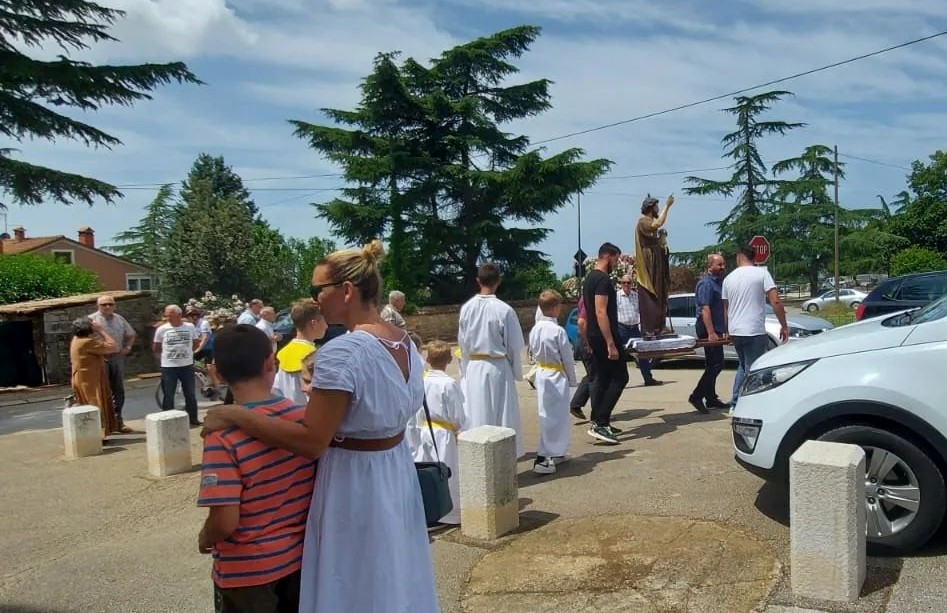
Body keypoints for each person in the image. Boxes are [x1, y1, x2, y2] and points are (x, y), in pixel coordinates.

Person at [202, 240, 439, 613]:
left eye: (318, 291)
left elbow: (313, 440)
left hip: (354, 481)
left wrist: (234, 415)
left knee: (352, 579)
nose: (315, 301)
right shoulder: (404, 342)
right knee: (393, 574)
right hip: (394, 469)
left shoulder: (342, 352)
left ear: (346, 291)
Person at [197, 324, 315, 613]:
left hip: (247, 571)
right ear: (269, 363)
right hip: (300, 559)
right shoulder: (301, 419)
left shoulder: (221, 437)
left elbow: (225, 520)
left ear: (218, 373)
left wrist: (204, 537)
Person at [457, 263, 526, 457]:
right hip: (497, 365)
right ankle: (502, 454)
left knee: (477, 410)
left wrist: (464, 370)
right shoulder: (504, 310)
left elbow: (462, 343)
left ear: (478, 281)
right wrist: (515, 371)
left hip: (475, 365)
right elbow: (514, 345)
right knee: (502, 413)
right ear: (498, 281)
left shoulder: (467, 309)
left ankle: (478, 455)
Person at [724, 244, 790, 405]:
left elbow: (726, 308)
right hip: (753, 329)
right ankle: (746, 402)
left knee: (743, 365)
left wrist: (727, 330)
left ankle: (736, 400)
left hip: (736, 329)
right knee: (753, 368)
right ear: (754, 257)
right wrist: (783, 324)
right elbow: (775, 300)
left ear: (739, 257)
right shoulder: (762, 274)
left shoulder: (728, 278)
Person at [413, 340, 466, 525]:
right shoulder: (449, 384)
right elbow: (458, 414)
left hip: (424, 430)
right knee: (446, 470)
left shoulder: (423, 379)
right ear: (449, 360)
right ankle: (447, 513)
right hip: (443, 433)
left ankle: (427, 508)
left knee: (426, 470)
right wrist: (460, 429)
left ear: (427, 359)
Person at [583, 242, 628, 444]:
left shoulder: (589, 279)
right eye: (616, 259)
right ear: (608, 256)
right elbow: (601, 311)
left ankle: (599, 420)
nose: (617, 263)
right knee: (620, 377)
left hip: (594, 334)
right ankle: (601, 423)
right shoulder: (602, 280)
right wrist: (610, 342)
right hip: (603, 335)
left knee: (603, 377)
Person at [529, 290, 578, 475]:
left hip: (542, 372)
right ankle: (546, 455)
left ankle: (557, 451)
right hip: (556, 375)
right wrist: (572, 380)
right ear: (556, 308)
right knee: (557, 415)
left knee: (548, 413)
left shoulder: (535, 329)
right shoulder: (557, 331)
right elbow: (567, 357)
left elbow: (533, 351)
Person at [689, 254, 730, 414]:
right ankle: (696, 396)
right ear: (710, 266)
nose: (722, 267)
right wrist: (711, 332)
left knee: (714, 364)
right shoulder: (706, 284)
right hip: (706, 327)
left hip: (716, 327)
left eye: (723, 264)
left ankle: (711, 398)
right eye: (719, 264)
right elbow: (705, 310)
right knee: (716, 364)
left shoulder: (720, 283)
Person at [88, 295, 136, 433]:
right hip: (99, 360)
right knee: (102, 392)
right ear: (98, 306)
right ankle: (104, 425)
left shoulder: (119, 319)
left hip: (117, 358)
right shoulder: (92, 320)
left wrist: (127, 348)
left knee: (118, 391)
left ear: (114, 305)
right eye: (104, 304)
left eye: (110, 304)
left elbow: (131, 334)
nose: (107, 307)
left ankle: (118, 422)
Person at [70, 318, 119, 438]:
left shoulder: (77, 339)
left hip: (86, 377)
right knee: (95, 405)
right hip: (89, 380)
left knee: (92, 404)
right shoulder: (86, 342)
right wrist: (101, 330)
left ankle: (100, 433)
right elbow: (113, 346)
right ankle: (97, 435)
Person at [153, 304, 202, 426]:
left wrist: (187, 353)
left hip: (186, 365)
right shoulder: (162, 329)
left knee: (190, 393)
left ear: (179, 315)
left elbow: (196, 343)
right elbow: (156, 347)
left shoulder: (189, 327)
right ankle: (168, 419)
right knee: (168, 394)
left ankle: (193, 419)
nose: (168, 318)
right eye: (166, 315)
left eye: (170, 315)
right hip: (169, 367)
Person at [272, 300, 327, 405]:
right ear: (314, 324)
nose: (326, 326)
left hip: (289, 413)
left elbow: (276, 389)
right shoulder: (313, 356)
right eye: (325, 321)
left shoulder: (284, 352)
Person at [635, 194, 675, 337]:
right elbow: (656, 225)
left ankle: (660, 325)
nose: (658, 209)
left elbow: (660, 243)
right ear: (651, 208)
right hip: (649, 263)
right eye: (657, 206)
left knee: (661, 291)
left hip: (657, 263)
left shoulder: (650, 223)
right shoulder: (643, 222)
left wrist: (662, 241)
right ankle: (651, 326)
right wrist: (668, 206)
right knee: (653, 291)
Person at [615, 275, 662, 386]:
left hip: (635, 328)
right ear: (621, 284)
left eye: (628, 283)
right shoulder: (616, 296)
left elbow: (640, 312)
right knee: (620, 356)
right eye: (624, 282)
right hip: (622, 328)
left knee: (642, 354)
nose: (626, 285)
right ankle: (618, 381)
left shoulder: (636, 296)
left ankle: (648, 379)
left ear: (632, 284)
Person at [186, 306, 222, 399]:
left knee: (210, 368)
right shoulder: (190, 325)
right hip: (200, 348)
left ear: (195, 316)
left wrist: (197, 349)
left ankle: (217, 390)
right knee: (190, 366)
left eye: (191, 316)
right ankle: (205, 386)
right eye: (188, 316)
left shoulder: (203, 323)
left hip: (209, 348)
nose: (189, 318)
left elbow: (205, 338)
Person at [568, 295, 594, 421]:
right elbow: (581, 322)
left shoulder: (587, 297)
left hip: (585, 341)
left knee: (593, 375)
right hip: (587, 342)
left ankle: (576, 405)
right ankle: (598, 413)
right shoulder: (589, 298)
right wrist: (588, 343)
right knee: (596, 377)